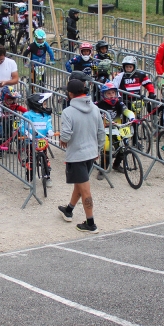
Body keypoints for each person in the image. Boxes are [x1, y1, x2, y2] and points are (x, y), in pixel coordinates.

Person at [57, 79, 106, 233]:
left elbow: (66, 133)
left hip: (77, 154)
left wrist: (63, 140)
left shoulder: (68, 112)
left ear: (70, 94)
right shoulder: (94, 108)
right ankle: (69, 209)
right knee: (80, 184)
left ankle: (90, 223)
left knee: (85, 190)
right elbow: (101, 132)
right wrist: (98, 149)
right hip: (91, 153)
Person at [96, 81, 136, 179]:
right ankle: (102, 169)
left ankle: (116, 165)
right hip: (103, 130)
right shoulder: (98, 105)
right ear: (104, 95)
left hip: (117, 129)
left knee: (122, 147)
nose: (111, 96)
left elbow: (127, 111)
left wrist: (132, 118)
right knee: (107, 148)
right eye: (108, 93)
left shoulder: (119, 103)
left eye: (113, 93)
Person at [20, 93, 54, 187]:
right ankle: (29, 180)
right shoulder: (27, 115)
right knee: (31, 160)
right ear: (37, 104)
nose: (46, 106)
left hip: (42, 140)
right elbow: (22, 127)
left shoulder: (46, 115)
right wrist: (28, 134)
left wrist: (50, 131)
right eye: (44, 103)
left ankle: (47, 177)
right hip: (30, 141)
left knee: (45, 158)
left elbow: (48, 125)